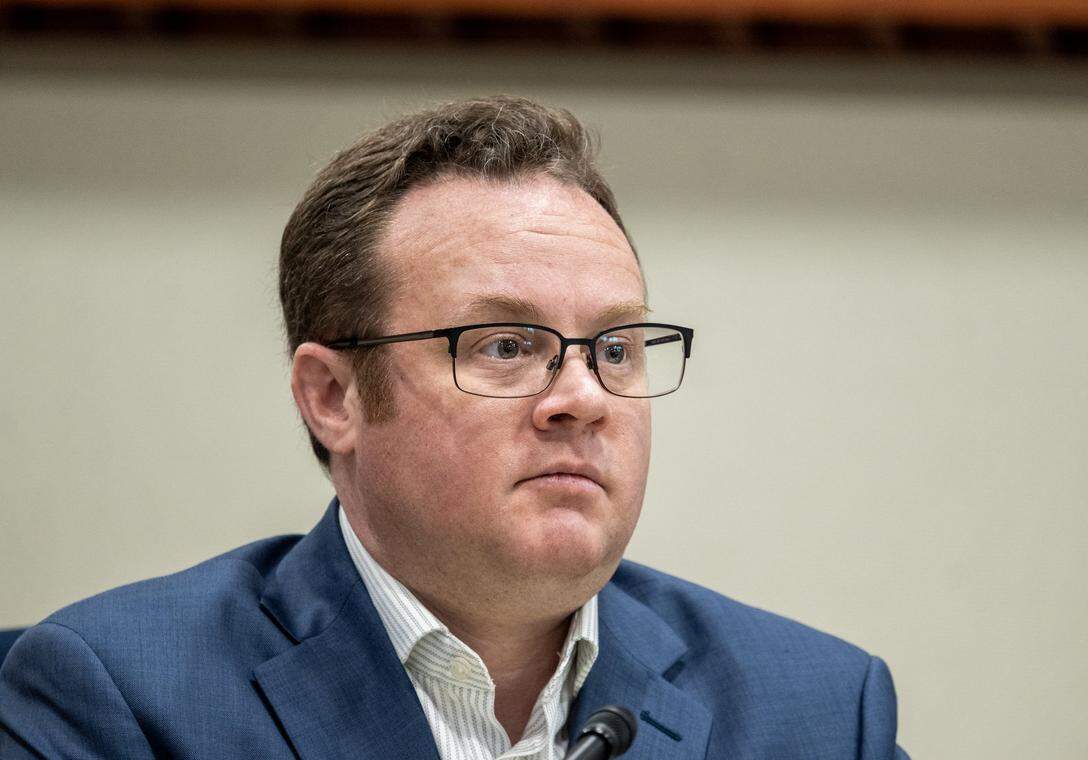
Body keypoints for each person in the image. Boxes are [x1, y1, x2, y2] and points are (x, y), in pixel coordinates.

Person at [0, 96, 908, 759]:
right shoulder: (119, 700)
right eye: (507, 345)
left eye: (616, 348)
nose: (583, 397)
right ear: (333, 397)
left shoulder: (822, 714)